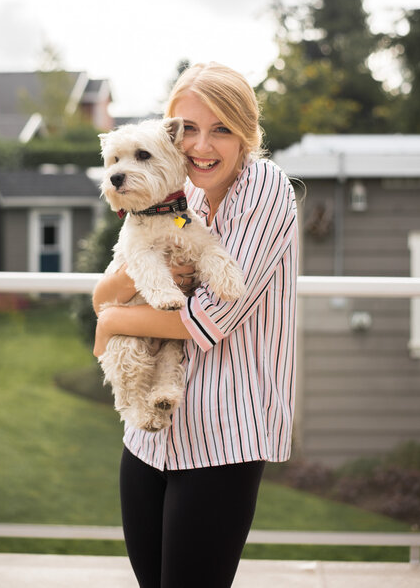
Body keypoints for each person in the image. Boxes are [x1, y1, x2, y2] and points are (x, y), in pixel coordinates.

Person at [92, 62, 299, 588]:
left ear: (247, 135)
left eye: (221, 129)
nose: (201, 146)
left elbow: (210, 318)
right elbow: (104, 290)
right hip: (150, 435)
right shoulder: (174, 192)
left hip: (223, 432)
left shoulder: (266, 188)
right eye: (187, 129)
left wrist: (113, 318)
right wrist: (111, 307)